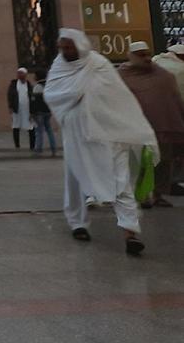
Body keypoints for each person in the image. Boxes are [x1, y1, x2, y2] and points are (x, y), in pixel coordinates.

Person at [46, 29, 155, 255]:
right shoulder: (59, 66)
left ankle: (130, 232)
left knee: (120, 182)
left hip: (108, 136)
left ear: (80, 46)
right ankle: (78, 223)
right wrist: (77, 93)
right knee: (75, 181)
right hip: (77, 137)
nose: (65, 52)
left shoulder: (98, 64)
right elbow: (51, 94)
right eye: (63, 47)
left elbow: (118, 97)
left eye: (69, 47)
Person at [120, 41, 184, 209]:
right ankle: (142, 196)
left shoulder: (163, 76)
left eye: (147, 54)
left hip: (163, 127)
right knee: (139, 163)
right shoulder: (121, 76)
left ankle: (158, 194)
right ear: (132, 57)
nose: (146, 58)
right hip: (134, 128)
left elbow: (175, 100)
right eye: (141, 55)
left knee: (163, 162)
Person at [8, 68, 35, 150]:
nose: (19, 75)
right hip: (17, 109)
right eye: (18, 73)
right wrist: (10, 107)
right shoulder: (13, 84)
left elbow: (32, 97)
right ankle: (17, 145)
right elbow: (10, 95)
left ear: (25, 75)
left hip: (27, 109)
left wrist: (32, 110)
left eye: (21, 73)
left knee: (30, 126)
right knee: (16, 126)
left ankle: (32, 146)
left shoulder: (29, 84)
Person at [31, 73, 57, 155]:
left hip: (39, 112)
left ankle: (38, 149)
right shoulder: (49, 85)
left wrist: (32, 112)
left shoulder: (37, 87)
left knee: (39, 131)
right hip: (48, 111)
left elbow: (35, 102)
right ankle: (53, 148)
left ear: (37, 77)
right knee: (49, 129)